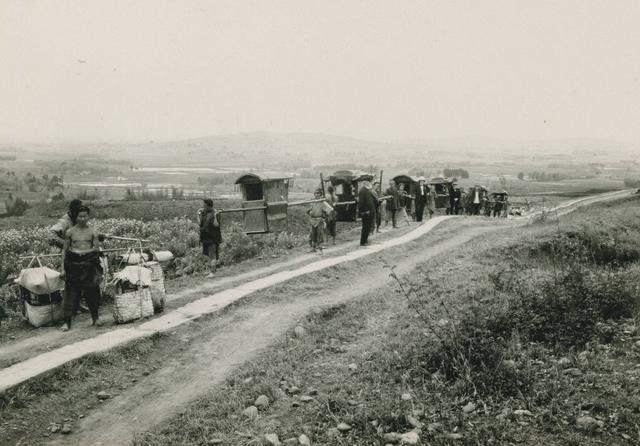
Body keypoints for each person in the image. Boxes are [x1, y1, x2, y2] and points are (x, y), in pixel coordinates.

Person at [60, 205, 102, 331]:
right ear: (76, 217)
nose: (83, 219)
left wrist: (85, 252)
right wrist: (62, 268)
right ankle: (67, 322)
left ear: (88, 217)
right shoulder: (70, 232)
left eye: (85, 216)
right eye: (80, 216)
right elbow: (64, 251)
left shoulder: (93, 231)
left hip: (89, 263)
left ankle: (96, 318)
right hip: (73, 264)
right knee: (70, 294)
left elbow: (96, 248)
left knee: (93, 292)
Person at [199, 198, 222, 278]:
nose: (203, 207)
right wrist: (198, 215)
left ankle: (212, 273)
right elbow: (200, 224)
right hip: (206, 237)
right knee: (207, 255)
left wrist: (215, 216)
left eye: (204, 205)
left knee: (212, 255)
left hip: (213, 237)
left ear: (209, 206)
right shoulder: (204, 213)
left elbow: (216, 225)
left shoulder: (215, 213)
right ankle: (210, 271)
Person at [358, 181, 376, 246]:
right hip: (366, 213)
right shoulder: (363, 191)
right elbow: (361, 203)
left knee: (368, 227)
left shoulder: (367, 190)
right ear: (365, 184)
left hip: (369, 212)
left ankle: (365, 240)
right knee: (365, 227)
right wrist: (365, 211)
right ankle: (363, 242)